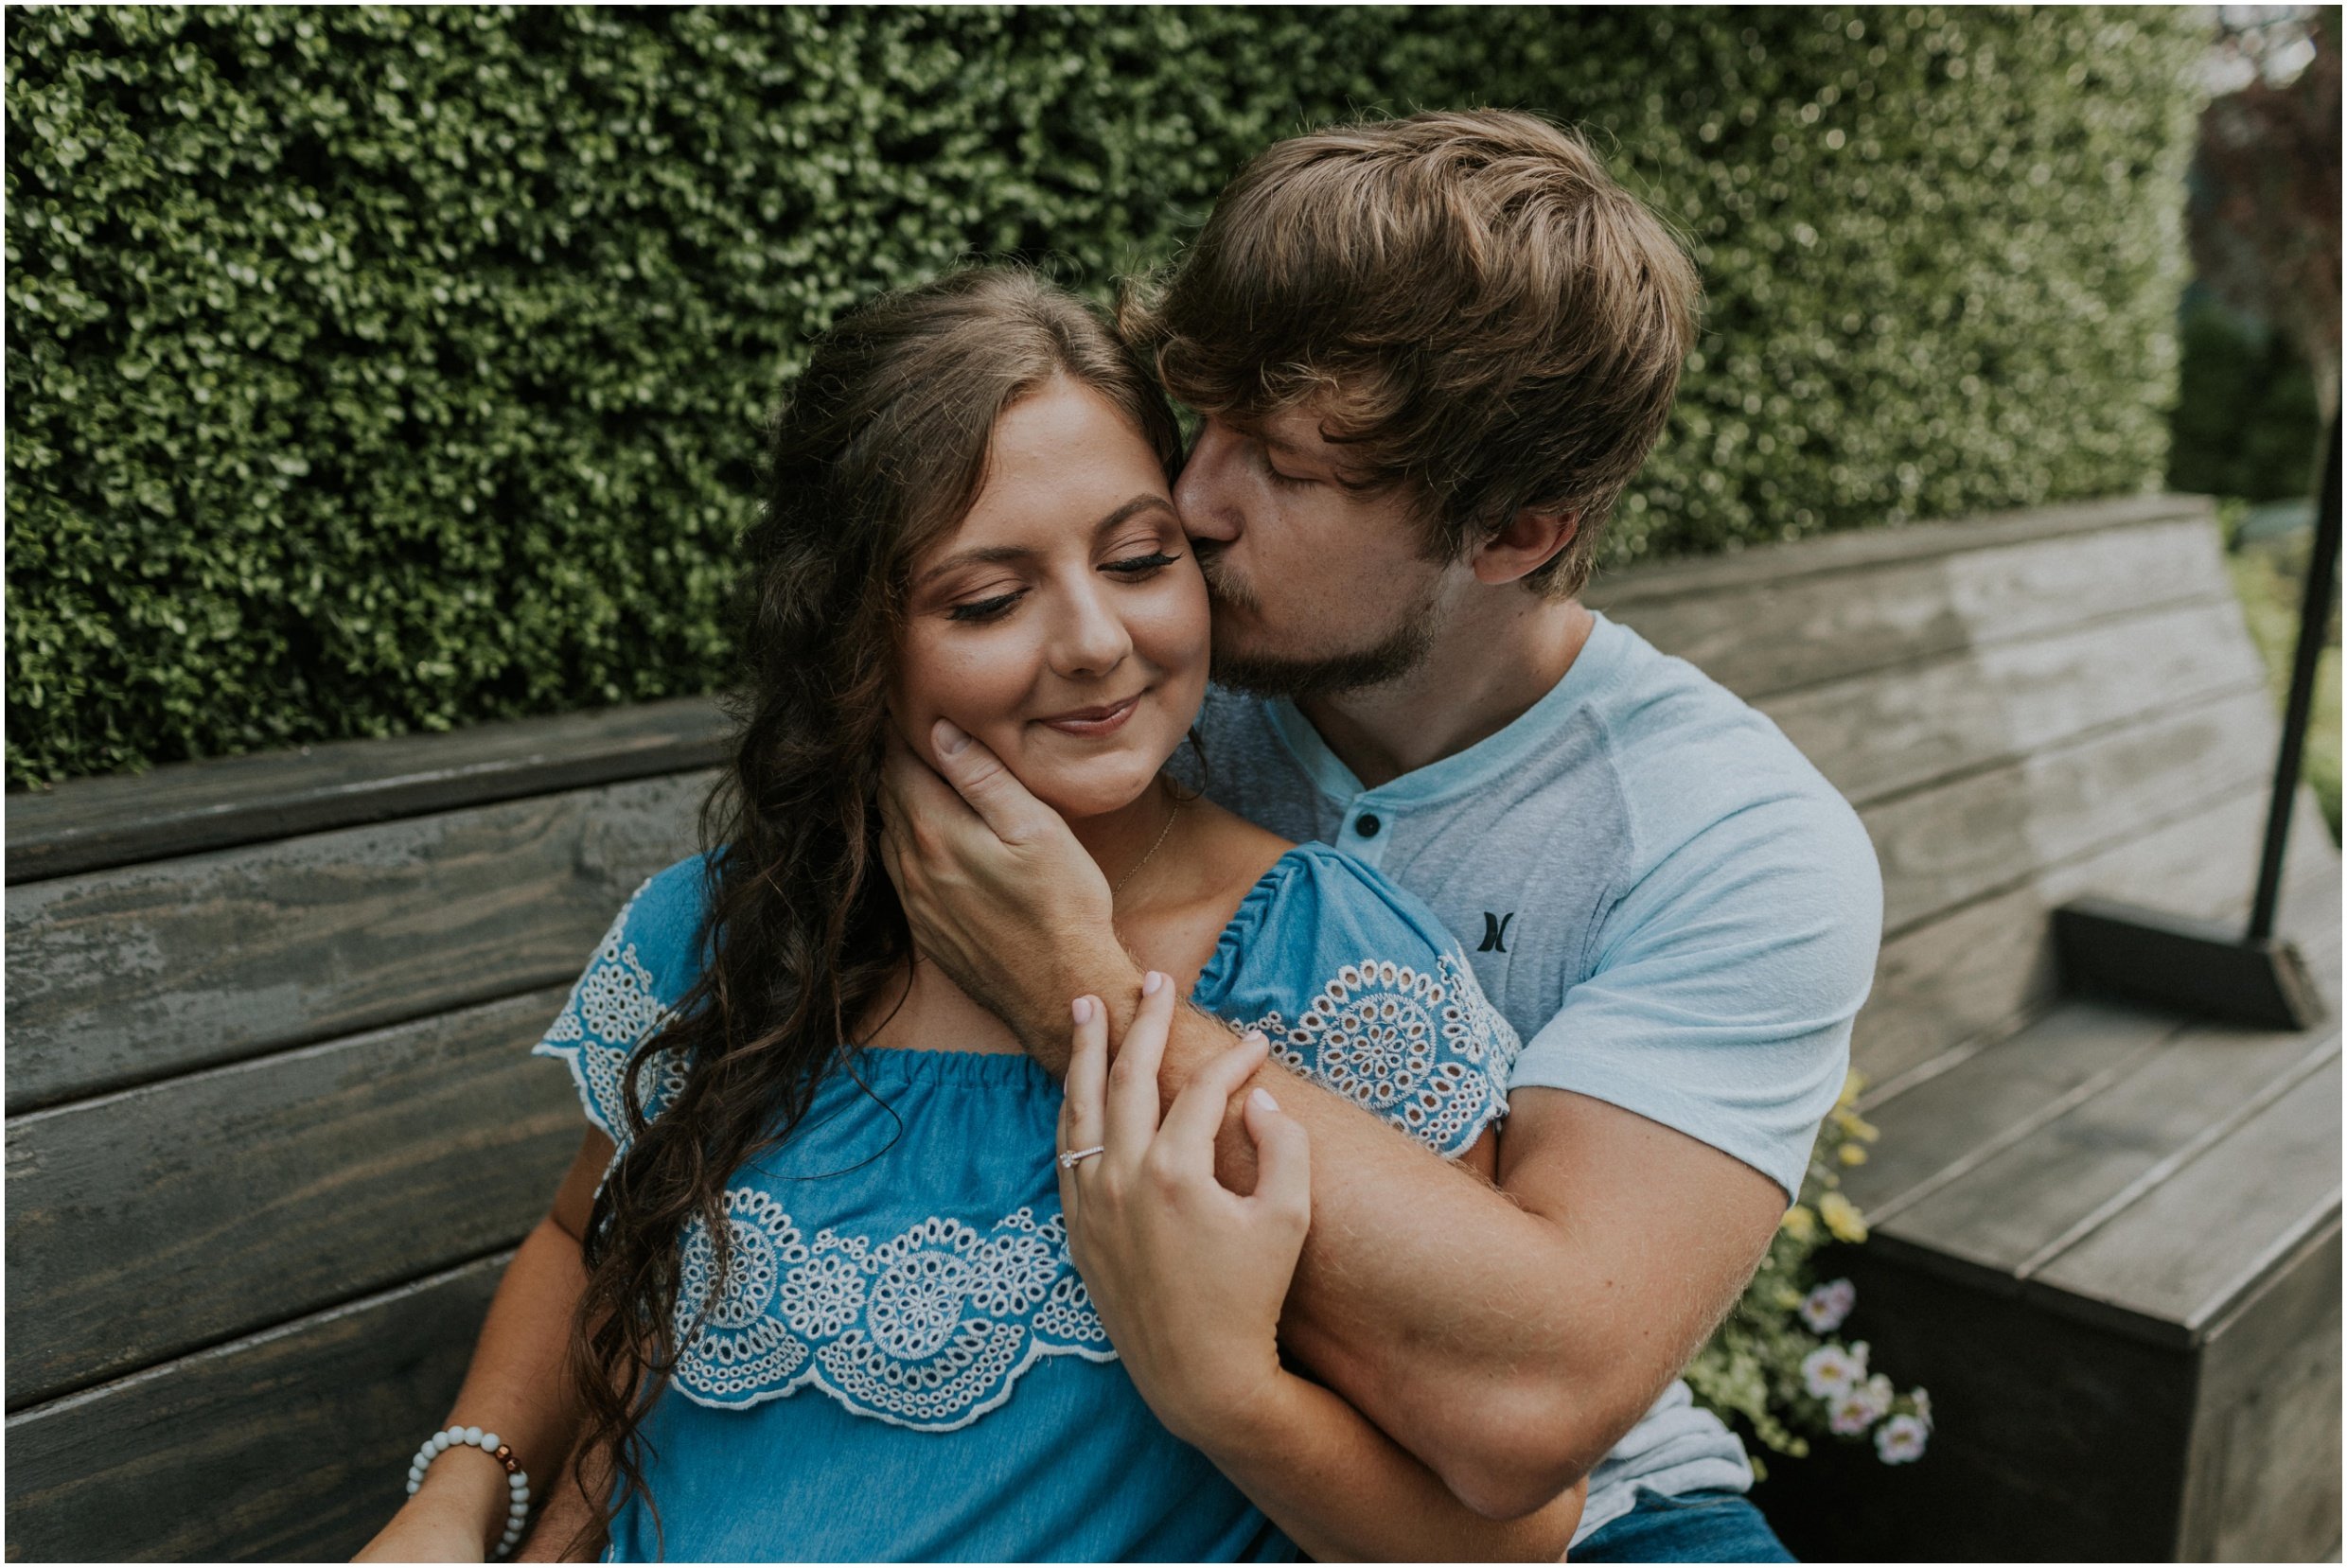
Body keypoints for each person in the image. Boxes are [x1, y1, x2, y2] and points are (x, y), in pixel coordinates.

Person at [357, 266, 1588, 1563]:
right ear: (851, 633)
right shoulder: (739, 926)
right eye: (988, 599)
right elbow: (586, 1239)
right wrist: (461, 1488)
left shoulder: (1323, 970)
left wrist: (1237, 1397)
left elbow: (1510, 1537)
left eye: (1140, 558)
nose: (1097, 641)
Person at [879, 112, 1885, 1561]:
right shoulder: (1128, 694)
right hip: (1154, 1483)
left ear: (1516, 532)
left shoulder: (1732, 839)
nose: (1195, 501)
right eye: (1198, 417)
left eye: (1287, 467)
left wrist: (1076, 990)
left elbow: (1533, 1402)